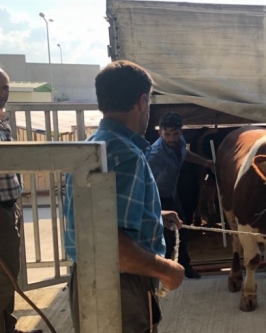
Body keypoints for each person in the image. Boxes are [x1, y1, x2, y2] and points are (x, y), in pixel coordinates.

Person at [63, 61, 185, 333]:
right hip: (121, 287)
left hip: (87, 280)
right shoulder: (127, 155)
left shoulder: (93, 146)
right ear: (143, 101)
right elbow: (112, 249)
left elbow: (95, 218)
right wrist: (168, 270)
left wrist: (153, 215)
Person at [147, 112, 215, 279]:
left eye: (175, 133)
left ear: (181, 132)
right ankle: (162, 272)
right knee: (164, 236)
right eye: (167, 134)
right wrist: (154, 208)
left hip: (172, 193)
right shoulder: (155, 156)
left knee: (182, 230)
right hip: (158, 197)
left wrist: (206, 162)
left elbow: (185, 154)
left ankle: (184, 267)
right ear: (159, 132)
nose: (171, 138)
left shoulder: (180, 143)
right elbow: (146, 182)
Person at [0, 68, 42, 333]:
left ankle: (8, 326)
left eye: (5, 88)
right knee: (3, 280)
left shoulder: (2, 121)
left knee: (8, 275)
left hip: (7, 206)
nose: (3, 94)